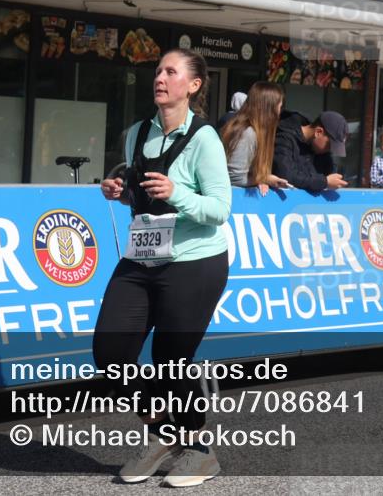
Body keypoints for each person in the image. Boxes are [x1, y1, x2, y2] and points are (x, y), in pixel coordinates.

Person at [95, 49, 230, 488]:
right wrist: (120, 192)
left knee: (171, 361)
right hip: (142, 256)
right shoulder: (138, 133)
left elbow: (220, 209)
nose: (160, 78)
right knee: (111, 354)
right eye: (158, 71)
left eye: (171, 72)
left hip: (195, 261)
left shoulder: (205, 138)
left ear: (193, 85)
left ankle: (199, 450)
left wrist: (177, 194)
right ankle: (162, 433)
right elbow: (140, 196)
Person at [221, 82, 289, 195]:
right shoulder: (247, 133)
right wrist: (264, 179)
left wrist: (259, 179)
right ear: (269, 108)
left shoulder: (251, 130)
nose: (279, 113)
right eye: (279, 107)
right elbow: (234, 177)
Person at [272, 110, 349, 192]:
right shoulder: (284, 139)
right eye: (329, 145)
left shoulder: (322, 151)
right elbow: (285, 176)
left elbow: (331, 174)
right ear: (318, 132)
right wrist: (324, 182)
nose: (330, 150)